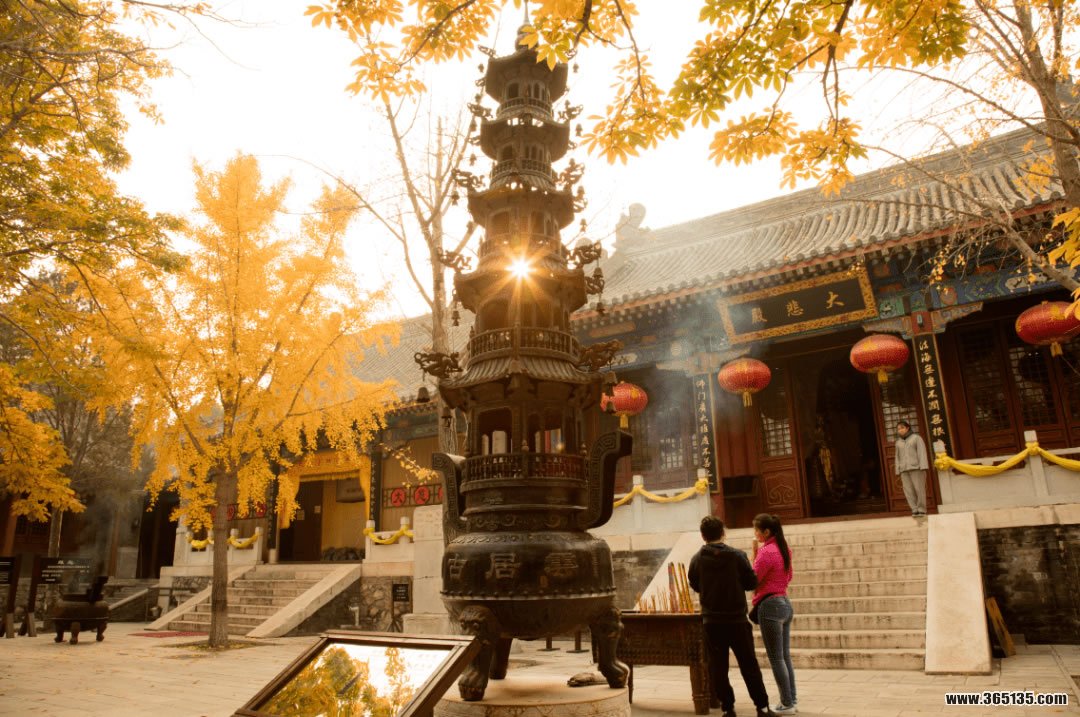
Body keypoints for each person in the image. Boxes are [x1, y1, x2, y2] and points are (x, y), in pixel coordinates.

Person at [688, 515, 776, 717]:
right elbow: (751, 583)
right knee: (749, 665)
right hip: (736, 620)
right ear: (723, 533)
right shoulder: (737, 556)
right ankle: (762, 707)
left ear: (703, 536)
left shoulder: (697, 559)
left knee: (718, 667)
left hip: (712, 621)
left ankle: (728, 708)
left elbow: (695, 584)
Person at [752, 513, 797, 715]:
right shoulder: (784, 548)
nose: (755, 533)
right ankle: (791, 699)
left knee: (776, 658)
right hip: (784, 601)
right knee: (784, 656)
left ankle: (786, 702)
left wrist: (754, 559)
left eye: (757, 530)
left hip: (770, 605)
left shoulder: (766, 552)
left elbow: (754, 580)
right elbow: (789, 575)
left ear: (766, 531)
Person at [895, 420, 929, 516]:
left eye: (902, 428)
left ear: (907, 428)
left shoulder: (916, 438)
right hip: (904, 469)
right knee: (908, 491)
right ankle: (914, 509)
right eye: (898, 429)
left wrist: (923, 466)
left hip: (917, 468)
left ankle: (921, 509)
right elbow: (897, 457)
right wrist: (898, 469)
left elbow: (922, 452)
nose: (900, 430)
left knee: (919, 489)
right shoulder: (898, 442)